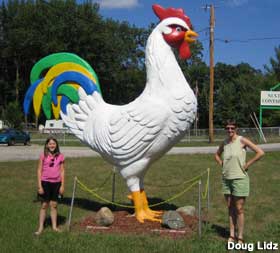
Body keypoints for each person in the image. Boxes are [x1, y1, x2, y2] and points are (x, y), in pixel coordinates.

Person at [215, 120, 264, 244]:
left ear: (236, 129)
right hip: (226, 179)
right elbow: (216, 155)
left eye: (232, 128)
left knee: (239, 208)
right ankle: (231, 235)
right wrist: (222, 164)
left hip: (240, 179)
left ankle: (240, 237)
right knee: (230, 207)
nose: (230, 130)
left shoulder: (242, 140)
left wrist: (248, 164)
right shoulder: (224, 142)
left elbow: (260, 152)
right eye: (227, 128)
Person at [35, 137, 65, 235]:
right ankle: (40, 228)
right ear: (47, 145)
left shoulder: (60, 156)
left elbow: (62, 171)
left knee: (54, 205)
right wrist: (39, 186)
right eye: (50, 144)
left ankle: (54, 227)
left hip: (56, 183)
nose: (52, 145)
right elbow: (39, 170)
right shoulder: (43, 155)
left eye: (54, 144)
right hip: (45, 182)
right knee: (44, 205)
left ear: (56, 145)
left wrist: (62, 186)